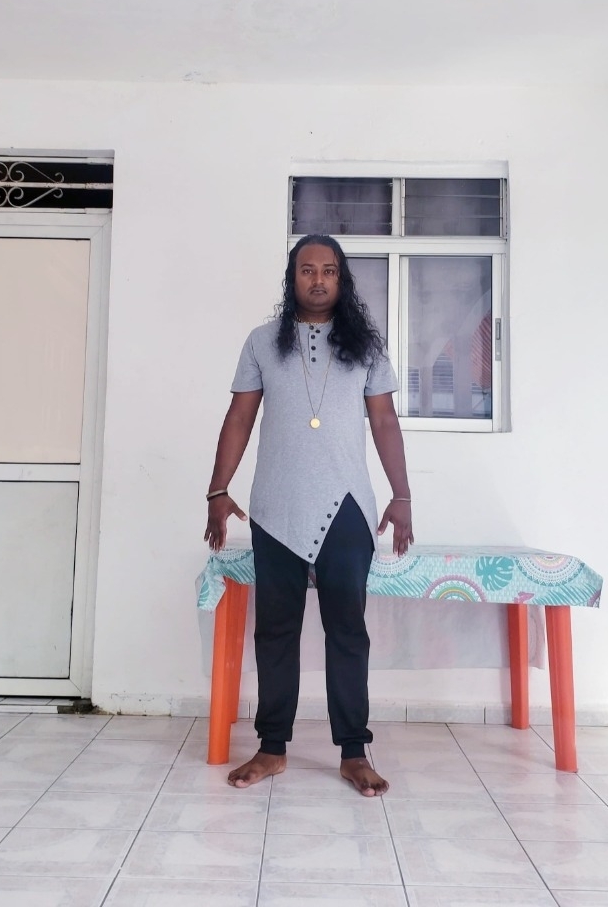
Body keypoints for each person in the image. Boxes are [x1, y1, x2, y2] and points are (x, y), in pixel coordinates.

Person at [204, 234, 413, 796]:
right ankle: (272, 748)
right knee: (275, 630)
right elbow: (239, 417)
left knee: (347, 631)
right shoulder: (261, 343)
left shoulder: (367, 347)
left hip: (348, 507)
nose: (317, 280)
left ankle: (354, 753)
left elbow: (385, 422)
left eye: (328, 271)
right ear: (291, 278)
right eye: (306, 270)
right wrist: (218, 490)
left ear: (342, 280)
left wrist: (401, 495)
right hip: (277, 505)